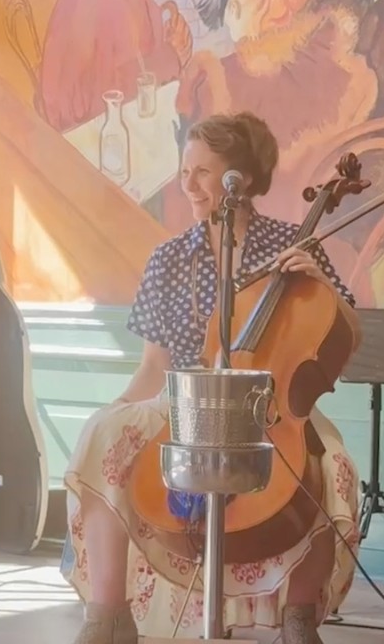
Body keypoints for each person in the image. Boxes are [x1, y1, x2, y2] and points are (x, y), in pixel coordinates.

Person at [63, 112, 363, 644]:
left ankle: (299, 618)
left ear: (241, 178)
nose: (189, 183)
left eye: (203, 171)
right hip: (187, 399)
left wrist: (320, 282)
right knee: (102, 435)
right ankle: (107, 617)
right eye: (185, 170)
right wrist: (116, 408)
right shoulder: (169, 258)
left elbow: (349, 330)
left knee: (331, 463)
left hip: (269, 404)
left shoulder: (294, 246)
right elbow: (153, 367)